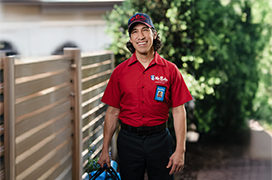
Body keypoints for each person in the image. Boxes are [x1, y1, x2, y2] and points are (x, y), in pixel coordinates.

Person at [97, 12, 193, 180]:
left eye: (144, 30)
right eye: (134, 32)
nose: (140, 36)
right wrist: (105, 150)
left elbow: (179, 111)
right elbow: (112, 112)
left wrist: (180, 150)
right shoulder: (119, 72)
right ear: (130, 38)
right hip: (128, 142)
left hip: (160, 141)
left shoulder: (170, 70)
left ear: (154, 34)